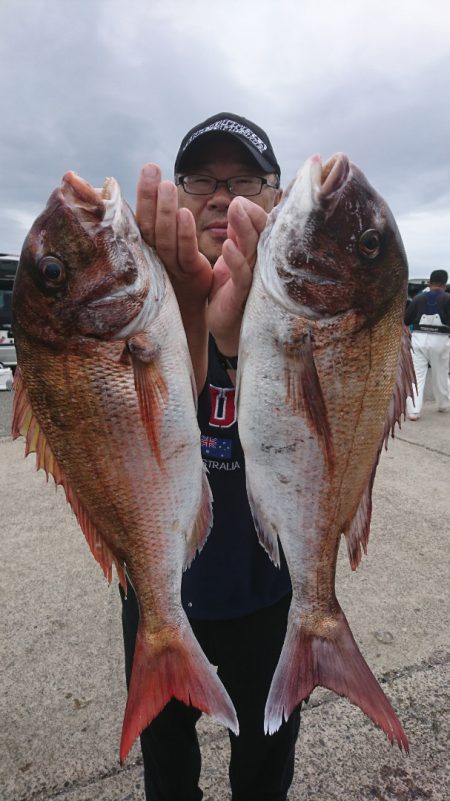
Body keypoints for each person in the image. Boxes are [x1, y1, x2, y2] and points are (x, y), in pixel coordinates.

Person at [120, 113, 301, 801]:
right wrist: (193, 325)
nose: (222, 197)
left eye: (245, 179)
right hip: (161, 589)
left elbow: (311, 458)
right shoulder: (139, 308)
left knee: (262, 773)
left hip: (267, 595)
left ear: (276, 196)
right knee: (168, 775)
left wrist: (233, 344)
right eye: (202, 178)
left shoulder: (298, 312)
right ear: (177, 196)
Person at [405, 269, 450, 420]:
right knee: (441, 374)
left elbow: (406, 320)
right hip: (441, 339)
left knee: (416, 376)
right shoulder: (447, 299)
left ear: (429, 283)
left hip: (418, 338)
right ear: (445, 284)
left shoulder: (418, 299)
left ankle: (414, 411)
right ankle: (443, 404)